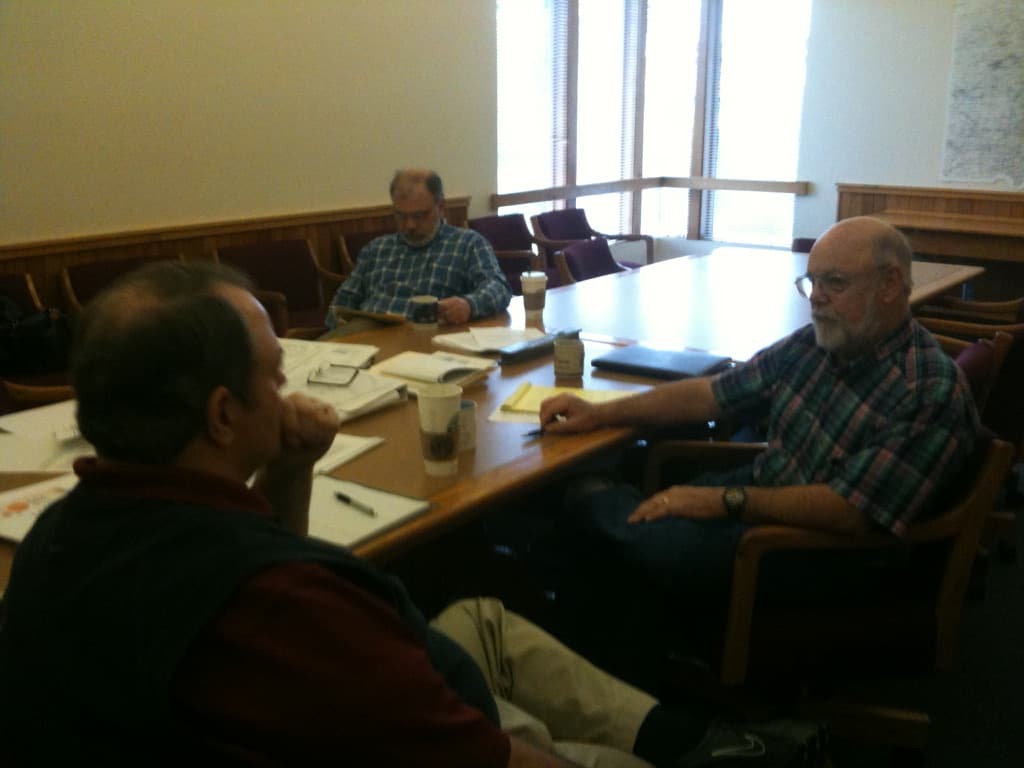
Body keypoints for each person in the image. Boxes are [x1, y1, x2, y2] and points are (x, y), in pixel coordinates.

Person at [0, 262, 825, 767]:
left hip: (373, 708)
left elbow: (261, 565)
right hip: (444, 738)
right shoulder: (284, 613)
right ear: (222, 416)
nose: (288, 392)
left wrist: (291, 467)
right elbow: (479, 756)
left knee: (481, 619)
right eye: (275, 374)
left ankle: (698, 740)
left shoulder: (60, 537)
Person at [535, 216, 981, 676]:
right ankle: (610, 668)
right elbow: (715, 393)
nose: (818, 299)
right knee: (630, 536)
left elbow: (849, 511)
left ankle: (586, 521)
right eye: (811, 283)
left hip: (827, 555)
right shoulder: (818, 344)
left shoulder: (926, 389)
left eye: (835, 283)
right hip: (765, 498)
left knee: (612, 525)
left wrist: (722, 501)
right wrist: (601, 412)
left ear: (890, 285)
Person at [326, 169, 512, 328]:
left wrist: (469, 305)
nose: (410, 225)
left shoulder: (467, 244)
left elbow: (499, 288)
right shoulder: (376, 249)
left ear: (441, 207)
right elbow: (341, 305)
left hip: (425, 346)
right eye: (400, 216)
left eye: (419, 215)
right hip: (367, 341)